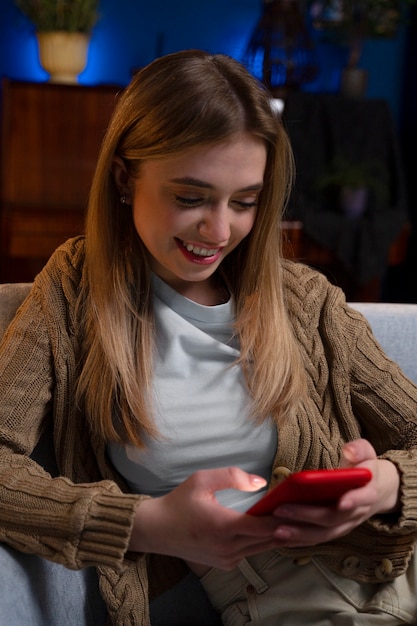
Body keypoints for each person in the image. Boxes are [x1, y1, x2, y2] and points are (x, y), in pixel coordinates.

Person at [1, 49, 417, 626]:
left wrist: (388, 486)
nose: (219, 231)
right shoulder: (72, 295)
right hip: (287, 601)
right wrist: (142, 524)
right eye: (190, 198)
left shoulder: (305, 299)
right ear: (125, 177)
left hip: (396, 565)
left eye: (244, 202)